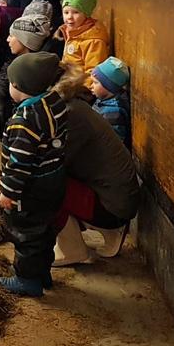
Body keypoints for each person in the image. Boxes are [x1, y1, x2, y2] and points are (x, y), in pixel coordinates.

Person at [0, 52, 77, 296]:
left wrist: (8, 192)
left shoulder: (24, 121)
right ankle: (41, 273)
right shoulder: (54, 103)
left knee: (26, 234)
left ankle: (27, 280)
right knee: (45, 230)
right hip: (54, 179)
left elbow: (19, 162)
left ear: (18, 86)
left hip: (31, 188)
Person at [53, 77, 140, 266]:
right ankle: (109, 232)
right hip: (115, 201)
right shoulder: (75, 106)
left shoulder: (70, 114)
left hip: (113, 206)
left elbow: (55, 162)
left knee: (44, 184)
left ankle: (72, 249)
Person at [0, 0, 54, 140]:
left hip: (29, 111)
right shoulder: (16, 53)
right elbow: (6, 74)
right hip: (16, 102)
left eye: (12, 36)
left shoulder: (43, 63)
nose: (7, 40)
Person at [55, 0, 109, 85]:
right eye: (66, 12)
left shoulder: (94, 41)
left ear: (86, 14)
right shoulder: (71, 32)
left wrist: (82, 90)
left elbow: (93, 72)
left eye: (76, 12)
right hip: (67, 82)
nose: (69, 17)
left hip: (79, 87)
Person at [90, 56, 131, 147]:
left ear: (109, 86)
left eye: (95, 82)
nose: (91, 86)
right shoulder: (103, 100)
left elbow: (114, 143)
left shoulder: (113, 112)